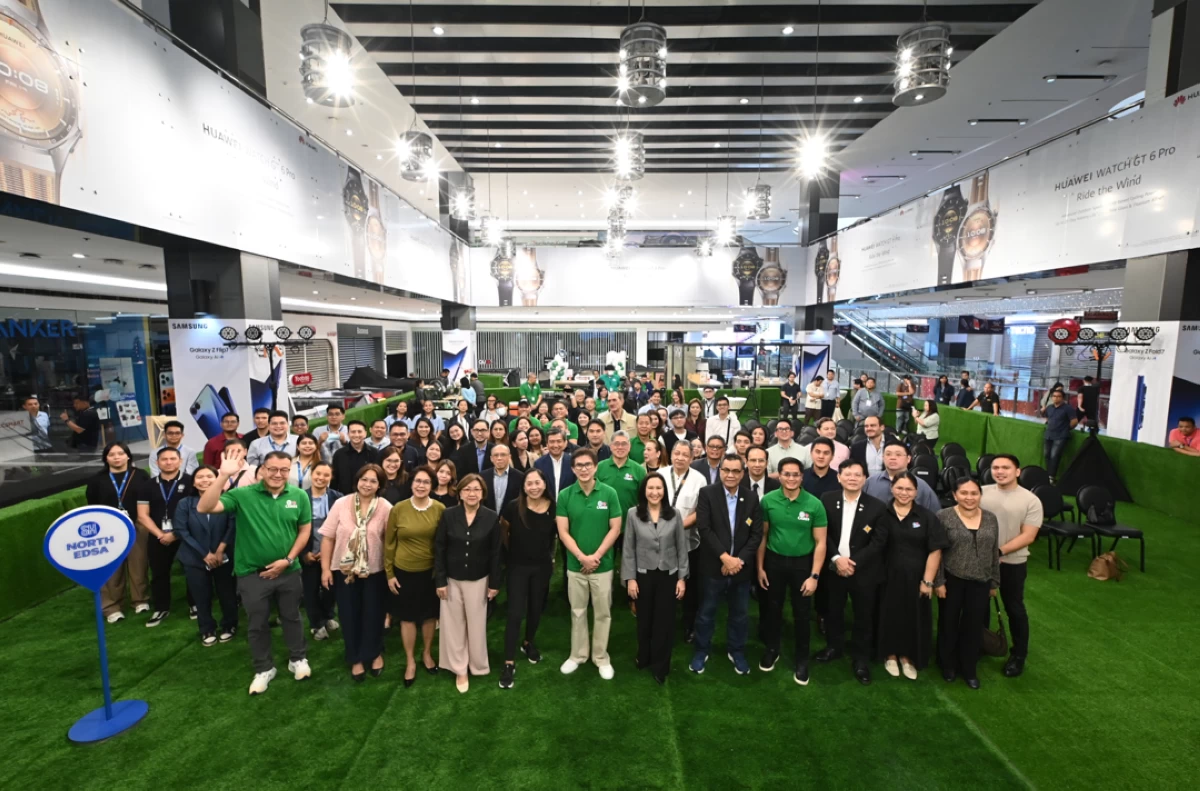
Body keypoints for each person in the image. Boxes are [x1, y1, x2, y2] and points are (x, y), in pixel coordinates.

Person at [199, 450, 313, 696]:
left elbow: (304, 530)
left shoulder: (299, 495)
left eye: (284, 470)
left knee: (292, 617)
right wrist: (223, 475)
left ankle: (298, 658)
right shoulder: (242, 495)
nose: (278, 474)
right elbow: (205, 506)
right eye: (272, 469)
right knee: (257, 622)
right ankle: (264, 668)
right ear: (262, 470)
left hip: (289, 571)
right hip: (252, 574)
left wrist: (288, 560)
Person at [815, 460, 889, 685]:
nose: (852, 478)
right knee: (833, 611)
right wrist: (837, 559)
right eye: (847, 474)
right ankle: (834, 647)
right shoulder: (827, 499)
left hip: (863, 571)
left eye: (857, 475)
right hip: (833, 568)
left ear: (865, 479)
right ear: (839, 477)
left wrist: (852, 563)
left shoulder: (877, 507)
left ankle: (860, 659)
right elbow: (823, 533)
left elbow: (878, 542)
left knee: (863, 616)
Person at [689, 453, 762, 676]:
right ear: (720, 471)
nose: (730, 475)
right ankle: (701, 650)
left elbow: (756, 535)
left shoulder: (751, 497)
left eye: (735, 471)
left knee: (740, 614)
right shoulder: (707, 494)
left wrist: (738, 561)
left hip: (741, 569)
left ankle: (736, 651)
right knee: (706, 612)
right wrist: (724, 557)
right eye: (726, 470)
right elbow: (704, 528)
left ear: (742, 473)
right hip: (713, 567)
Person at [757, 457, 826, 684]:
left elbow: (821, 542)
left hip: (802, 565)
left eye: (796, 474)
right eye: (786, 474)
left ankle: (802, 660)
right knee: (773, 609)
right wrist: (760, 568)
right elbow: (763, 536)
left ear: (802, 477)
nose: (791, 478)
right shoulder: (768, 501)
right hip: (774, 562)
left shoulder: (814, 504)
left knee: (802, 613)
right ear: (779, 476)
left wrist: (814, 575)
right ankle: (772, 649)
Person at [319, 464, 391, 681]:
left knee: (373, 614)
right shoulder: (341, 504)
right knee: (349, 615)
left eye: (373, 481)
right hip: (344, 571)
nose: (367, 484)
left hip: (374, 572)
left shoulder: (386, 507)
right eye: (364, 479)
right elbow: (328, 538)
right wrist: (325, 569)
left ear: (379, 485)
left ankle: (374, 653)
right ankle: (355, 658)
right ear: (357, 481)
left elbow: (390, 542)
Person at [556, 448, 623, 679]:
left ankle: (601, 657)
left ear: (595, 467)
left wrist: (596, 556)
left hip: (602, 566)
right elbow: (563, 532)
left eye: (588, 465)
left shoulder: (609, 493)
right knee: (577, 611)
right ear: (573, 469)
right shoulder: (565, 495)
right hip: (576, 567)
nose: (583, 469)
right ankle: (578, 655)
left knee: (603, 613)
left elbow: (615, 528)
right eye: (579, 465)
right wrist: (581, 557)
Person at [435, 473, 501, 693]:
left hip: (479, 578)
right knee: (453, 625)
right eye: (467, 489)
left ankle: (477, 665)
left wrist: (494, 583)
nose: (472, 493)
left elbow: (495, 553)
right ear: (460, 493)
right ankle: (459, 668)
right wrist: (440, 580)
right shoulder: (448, 515)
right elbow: (439, 548)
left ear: (483, 493)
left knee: (476, 625)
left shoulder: (491, 517)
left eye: (476, 489)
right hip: (451, 579)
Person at [876, 473, 946, 680]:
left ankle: (907, 657)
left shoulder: (926, 517)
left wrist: (927, 581)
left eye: (909, 489)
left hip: (917, 578)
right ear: (892, 488)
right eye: (899, 488)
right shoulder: (881, 513)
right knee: (888, 614)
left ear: (916, 492)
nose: (904, 493)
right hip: (886, 577)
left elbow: (935, 550)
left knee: (913, 616)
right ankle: (889, 654)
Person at [981, 454, 1043, 678]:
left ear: (1017, 471)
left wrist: (998, 552)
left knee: (1014, 608)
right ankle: (980, 644)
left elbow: (1029, 535)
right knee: (978, 605)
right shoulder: (981, 492)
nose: (1000, 471)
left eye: (1005, 468)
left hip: (1012, 563)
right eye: (995, 467)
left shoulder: (1030, 500)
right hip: (979, 562)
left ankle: (1018, 656)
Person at [935, 477, 1001, 689]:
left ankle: (969, 668)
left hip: (981, 581)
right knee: (948, 623)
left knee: (973, 626)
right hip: (952, 579)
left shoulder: (990, 518)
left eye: (974, 493)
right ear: (955, 495)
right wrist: (938, 582)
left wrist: (994, 582)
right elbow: (937, 553)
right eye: (964, 493)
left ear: (980, 495)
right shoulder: (943, 516)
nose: (969, 497)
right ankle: (947, 664)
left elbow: (993, 551)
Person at [622, 473, 688, 684]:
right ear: (644, 491)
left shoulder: (674, 514)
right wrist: (630, 578)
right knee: (644, 620)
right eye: (650, 488)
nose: (654, 492)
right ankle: (644, 656)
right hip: (643, 575)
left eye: (659, 488)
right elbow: (628, 549)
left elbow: (681, 547)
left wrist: (682, 578)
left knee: (664, 622)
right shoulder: (633, 514)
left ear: (664, 491)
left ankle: (661, 666)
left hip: (668, 575)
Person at [499, 468, 558, 689]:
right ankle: (508, 662)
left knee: (535, 608)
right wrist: (511, 554)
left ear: (545, 484)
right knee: (515, 613)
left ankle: (528, 642)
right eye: (529, 483)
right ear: (523, 487)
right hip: (517, 566)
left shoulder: (553, 507)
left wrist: (551, 557)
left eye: (537, 483)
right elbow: (503, 531)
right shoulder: (514, 506)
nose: (533, 487)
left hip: (542, 567)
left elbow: (555, 536)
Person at [385, 465, 443, 687]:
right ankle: (410, 661)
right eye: (418, 481)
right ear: (411, 483)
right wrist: (389, 573)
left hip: (430, 573)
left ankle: (427, 653)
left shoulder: (439, 509)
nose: (421, 485)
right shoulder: (398, 509)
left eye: (426, 482)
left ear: (432, 486)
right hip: (403, 572)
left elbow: (442, 543)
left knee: (429, 616)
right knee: (407, 618)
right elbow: (389, 543)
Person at [175, 464, 238, 646]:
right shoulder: (185, 504)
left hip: (223, 556)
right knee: (201, 596)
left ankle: (229, 625)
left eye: (210, 476)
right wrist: (204, 554)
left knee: (227, 593)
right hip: (194, 558)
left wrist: (219, 550)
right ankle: (206, 628)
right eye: (200, 477)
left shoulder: (227, 500)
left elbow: (232, 526)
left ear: (218, 479)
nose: (205, 480)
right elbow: (181, 531)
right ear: (194, 483)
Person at [92, 442, 152, 622]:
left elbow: (148, 500)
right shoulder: (97, 480)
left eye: (120, 453)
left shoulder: (141, 475)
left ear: (128, 456)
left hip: (137, 525)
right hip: (109, 529)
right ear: (106, 458)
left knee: (139, 564)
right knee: (112, 568)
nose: (116, 457)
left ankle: (140, 600)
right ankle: (112, 607)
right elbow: (93, 506)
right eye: (112, 454)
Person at [138, 447, 194, 626]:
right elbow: (142, 515)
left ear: (180, 461)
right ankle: (161, 608)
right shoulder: (147, 486)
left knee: (192, 570)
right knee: (159, 573)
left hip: (186, 535)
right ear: (157, 462)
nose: (168, 462)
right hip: (158, 536)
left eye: (172, 459)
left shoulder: (191, 482)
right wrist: (160, 534)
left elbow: (195, 511)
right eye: (164, 459)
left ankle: (195, 604)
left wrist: (176, 534)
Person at [662, 440, 707, 644]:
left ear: (692, 458)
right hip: (661, 542)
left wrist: (677, 527)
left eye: (685, 455)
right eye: (677, 453)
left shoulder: (699, 479)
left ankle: (689, 625)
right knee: (665, 585)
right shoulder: (660, 475)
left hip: (689, 542)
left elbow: (700, 511)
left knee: (690, 587)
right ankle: (665, 624)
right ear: (671, 455)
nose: (680, 458)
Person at [303, 462, 340, 641]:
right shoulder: (300, 497)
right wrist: (305, 552)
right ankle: (316, 624)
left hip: (331, 552)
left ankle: (328, 615)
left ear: (331, 477)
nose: (321, 478)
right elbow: (294, 529)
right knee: (310, 590)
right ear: (311, 474)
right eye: (318, 473)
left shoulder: (337, 498)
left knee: (330, 588)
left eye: (326, 475)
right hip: (308, 552)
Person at [865, 441, 941, 513]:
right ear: (883, 458)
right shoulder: (870, 482)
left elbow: (934, 514)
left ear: (908, 459)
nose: (892, 458)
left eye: (898, 455)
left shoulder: (921, 486)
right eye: (888, 454)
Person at [595, 431, 646, 518]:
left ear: (629, 446)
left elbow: (644, 499)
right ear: (611, 446)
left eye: (624, 444)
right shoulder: (599, 467)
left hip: (630, 521)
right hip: (603, 521)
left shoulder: (639, 470)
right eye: (616, 444)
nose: (620, 447)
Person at [331, 420, 380, 494]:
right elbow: (334, 479)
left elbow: (379, 476)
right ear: (348, 434)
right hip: (345, 497)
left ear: (365, 433)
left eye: (359, 432)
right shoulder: (339, 454)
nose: (356, 435)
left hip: (368, 495)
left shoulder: (374, 453)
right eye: (353, 432)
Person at [1037, 389, 1077, 477]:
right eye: (1054, 396)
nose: (1056, 398)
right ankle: (1047, 474)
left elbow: (1074, 421)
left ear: (1063, 398)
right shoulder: (1049, 407)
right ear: (1051, 397)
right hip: (1048, 435)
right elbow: (1047, 417)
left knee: (1054, 456)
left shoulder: (1068, 408)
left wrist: (1066, 428)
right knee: (1046, 455)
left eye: (1059, 396)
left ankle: (1051, 476)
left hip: (1060, 436)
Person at [535, 426, 577, 494]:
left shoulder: (573, 462)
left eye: (559, 441)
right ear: (547, 444)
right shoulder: (539, 464)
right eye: (552, 442)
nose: (555, 445)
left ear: (565, 443)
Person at [483, 443, 524, 513]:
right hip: (488, 517)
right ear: (491, 458)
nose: (499, 458)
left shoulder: (520, 477)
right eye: (496, 455)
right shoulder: (483, 476)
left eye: (503, 455)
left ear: (509, 457)